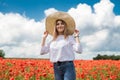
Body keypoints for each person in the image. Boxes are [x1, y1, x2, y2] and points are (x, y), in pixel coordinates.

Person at [40, 11, 82, 80]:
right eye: (57, 24)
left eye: (62, 23)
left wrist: (76, 36)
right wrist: (44, 38)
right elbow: (42, 52)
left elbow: (79, 50)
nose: (60, 25)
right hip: (56, 67)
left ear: (65, 26)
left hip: (68, 66)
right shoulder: (53, 40)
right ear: (55, 27)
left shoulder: (70, 37)